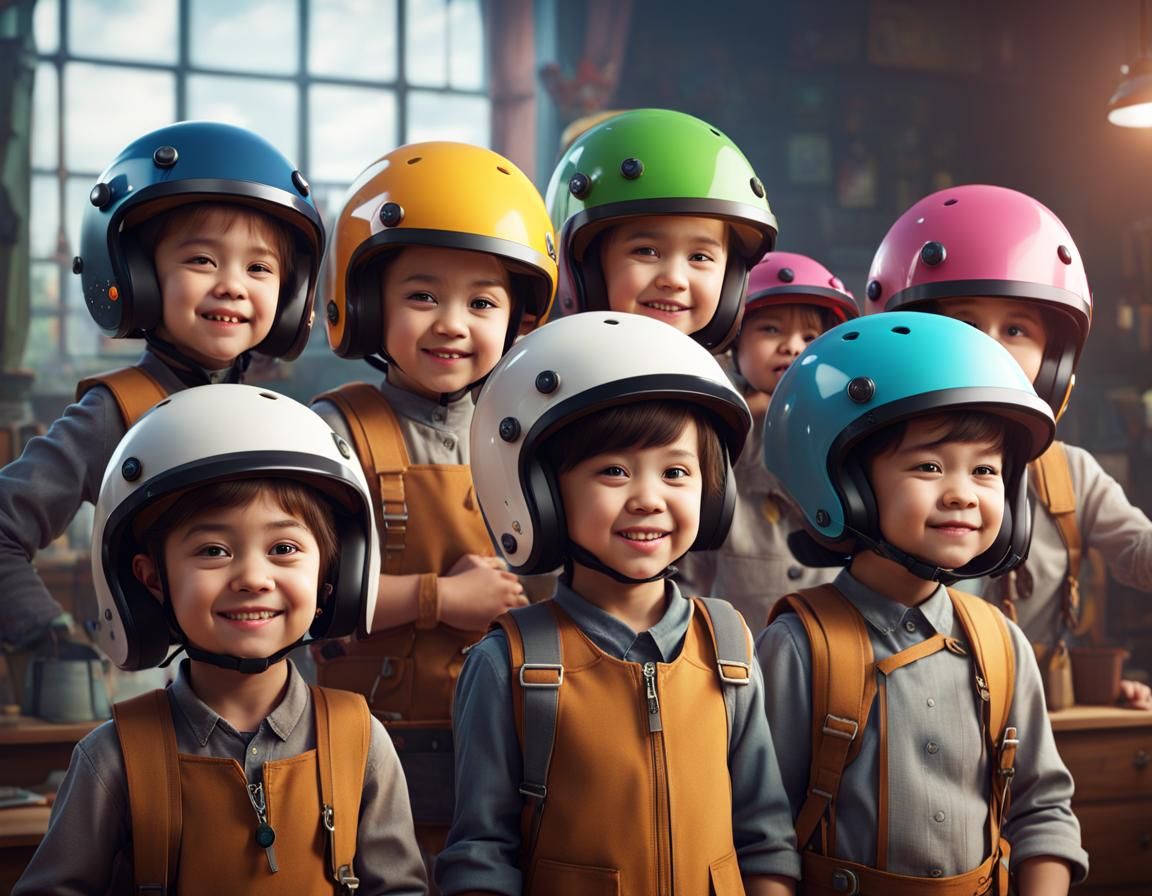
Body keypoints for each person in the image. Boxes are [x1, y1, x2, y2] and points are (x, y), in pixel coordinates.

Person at [436, 312, 799, 895]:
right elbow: (482, 854)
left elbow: (764, 838)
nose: (648, 500)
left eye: (677, 472)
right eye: (614, 471)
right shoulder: (507, 664)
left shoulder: (729, 644)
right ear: (541, 494)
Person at [14, 384, 426, 895]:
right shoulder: (114, 756)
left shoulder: (361, 741)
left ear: (334, 575)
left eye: (283, 547)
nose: (253, 578)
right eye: (212, 550)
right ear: (152, 580)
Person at [757, 312, 1087, 894]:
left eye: (986, 470)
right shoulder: (798, 647)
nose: (962, 491)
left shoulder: (1000, 643)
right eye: (930, 466)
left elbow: (1043, 813)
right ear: (844, 484)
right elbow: (762, 834)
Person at [309, 142, 559, 869]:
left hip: (514, 748)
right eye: (423, 296)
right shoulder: (335, 434)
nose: (452, 323)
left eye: (481, 302)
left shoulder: (532, 434)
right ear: (364, 304)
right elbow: (304, 599)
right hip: (368, 750)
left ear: (516, 318)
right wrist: (442, 597)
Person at [0, 120, 324, 664]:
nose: (232, 284)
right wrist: (45, 633)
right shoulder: (117, 412)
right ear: (136, 278)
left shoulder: (283, 422)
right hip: (155, 691)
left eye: (260, 267)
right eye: (201, 260)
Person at [864, 183, 1152, 709]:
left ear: (1054, 361)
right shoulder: (870, 465)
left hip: (1036, 716)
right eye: (966, 324)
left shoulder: (1070, 473)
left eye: (1016, 328)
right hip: (903, 709)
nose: (989, 346)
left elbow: (1139, 555)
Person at [678, 252, 858, 622]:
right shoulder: (713, 421)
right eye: (771, 330)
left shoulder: (840, 424)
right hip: (735, 629)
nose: (792, 347)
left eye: (810, 337)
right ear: (735, 343)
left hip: (828, 628)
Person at [544, 108, 778, 352]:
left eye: (699, 257)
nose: (674, 279)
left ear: (733, 275)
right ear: (585, 266)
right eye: (646, 251)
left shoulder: (725, 383)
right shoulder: (545, 370)